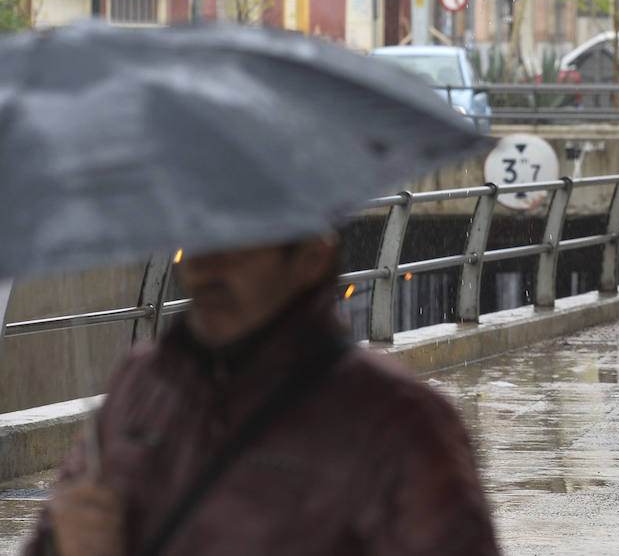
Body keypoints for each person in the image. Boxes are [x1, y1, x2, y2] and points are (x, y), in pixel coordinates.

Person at [23, 236, 501, 556]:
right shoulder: (139, 384)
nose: (205, 266)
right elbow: (48, 536)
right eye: (198, 239)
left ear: (311, 257)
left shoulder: (397, 421)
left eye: (237, 245)